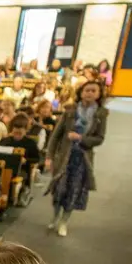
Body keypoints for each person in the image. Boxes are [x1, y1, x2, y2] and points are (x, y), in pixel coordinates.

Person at [46, 80, 109, 237]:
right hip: (64, 156)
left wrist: (81, 138)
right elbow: (56, 136)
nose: (89, 93)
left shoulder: (101, 114)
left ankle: (64, 222)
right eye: (87, 90)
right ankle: (55, 216)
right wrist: (49, 157)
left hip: (82, 158)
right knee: (58, 189)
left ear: (99, 94)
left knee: (74, 190)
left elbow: (100, 138)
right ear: (81, 92)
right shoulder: (70, 111)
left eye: (93, 90)